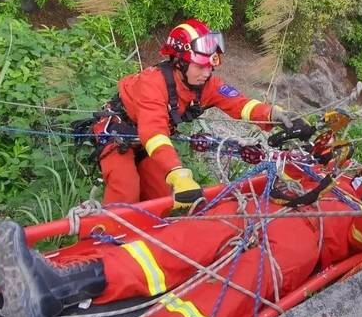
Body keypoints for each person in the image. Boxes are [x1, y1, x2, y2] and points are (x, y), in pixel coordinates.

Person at [0, 164, 362, 317]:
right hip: (259, 206)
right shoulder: (326, 175)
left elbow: (355, 245)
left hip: (305, 241)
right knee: (173, 244)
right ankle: (54, 287)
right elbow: (281, 167)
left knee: (225, 296)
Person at [83, 19, 307, 205]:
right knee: (126, 191)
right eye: (200, 66)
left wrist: (273, 114)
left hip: (150, 143)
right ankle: (101, 243)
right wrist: (178, 171)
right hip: (118, 135)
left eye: (210, 66)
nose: (206, 73)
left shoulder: (206, 84)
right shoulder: (153, 83)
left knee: (161, 196)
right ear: (179, 63)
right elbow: (153, 131)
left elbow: (240, 104)